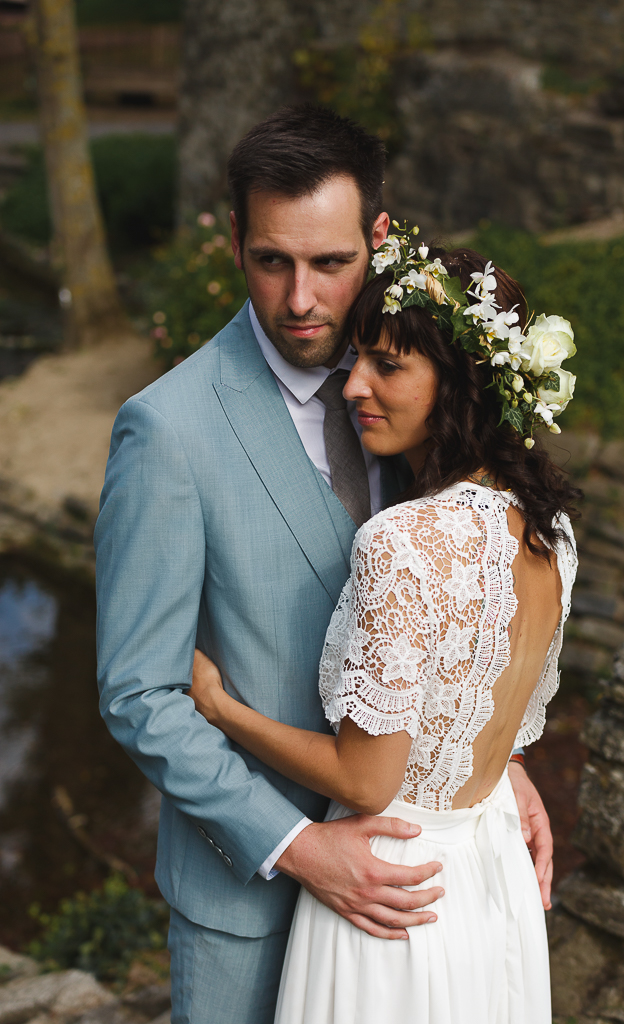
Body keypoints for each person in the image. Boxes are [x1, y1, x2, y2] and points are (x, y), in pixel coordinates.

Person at [95, 106, 555, 1024]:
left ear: (377, 239)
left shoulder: (411, 397)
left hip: (413, 907)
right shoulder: (167, 432)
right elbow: (137, 694)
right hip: (250, 906)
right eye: (271, 260)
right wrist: (298, 843)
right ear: (234, 240)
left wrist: (480, 754)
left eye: (330, 264)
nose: (300, 299)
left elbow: (451, 614)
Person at [188, 236, 580, 1022]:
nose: (352, 386)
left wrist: (220, 707)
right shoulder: (552, 533)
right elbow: (482, 722)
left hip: (391, 888)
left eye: (388, 366)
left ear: (463, 385)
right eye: (356, 358)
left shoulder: (402, 542)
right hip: (484, 874)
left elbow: (370, 781)